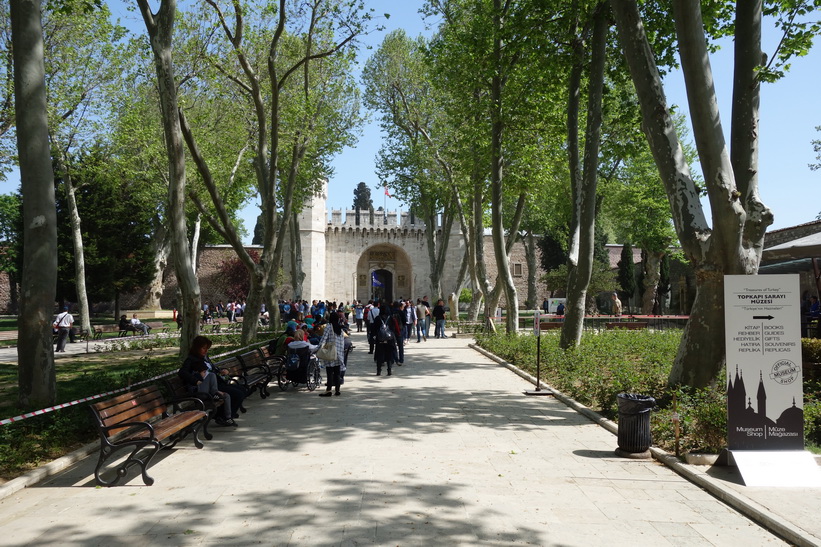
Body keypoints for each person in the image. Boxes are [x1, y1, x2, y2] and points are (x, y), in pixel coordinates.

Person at [179, 335, 246, 421]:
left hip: (218, 383)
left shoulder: (205, 358)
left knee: (242, 389)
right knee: (238, 394)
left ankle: (223, 414)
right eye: (203, 348)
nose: (206, 351)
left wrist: (223, 371)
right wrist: (196, 381)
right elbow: (182, 372)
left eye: (207, 348)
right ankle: (223, 416)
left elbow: (213, 369)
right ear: (197, 348)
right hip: (209, 388)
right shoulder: (191, 359)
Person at [188, 360, 236, 427]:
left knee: (226, 396)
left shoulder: (205, 376)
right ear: (197, 372)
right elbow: (194, 390)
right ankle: (215, 393)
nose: (205, 374)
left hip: (208, 394)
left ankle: (228, 418)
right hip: (201, 396)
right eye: (204, 372)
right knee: (212, 375)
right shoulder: (193, 378)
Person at [317, 312, 346, 396]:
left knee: (329, 372)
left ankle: (329, 390)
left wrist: (318, 348)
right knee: (337, 372)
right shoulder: (340, 329)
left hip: (330, 352)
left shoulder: (329, 327)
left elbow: (323, 339)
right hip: (338, 353)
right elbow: (341, 342)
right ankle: (337, 390)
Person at [373, 304, 399, 376]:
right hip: (389, 339)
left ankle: (379, 371)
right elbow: (393, 329)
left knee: (379, 355)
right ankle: (389, 370)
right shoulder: (390, 318)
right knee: (389, 355)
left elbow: (374, 329)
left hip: (380, 339)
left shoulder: (377, 318)